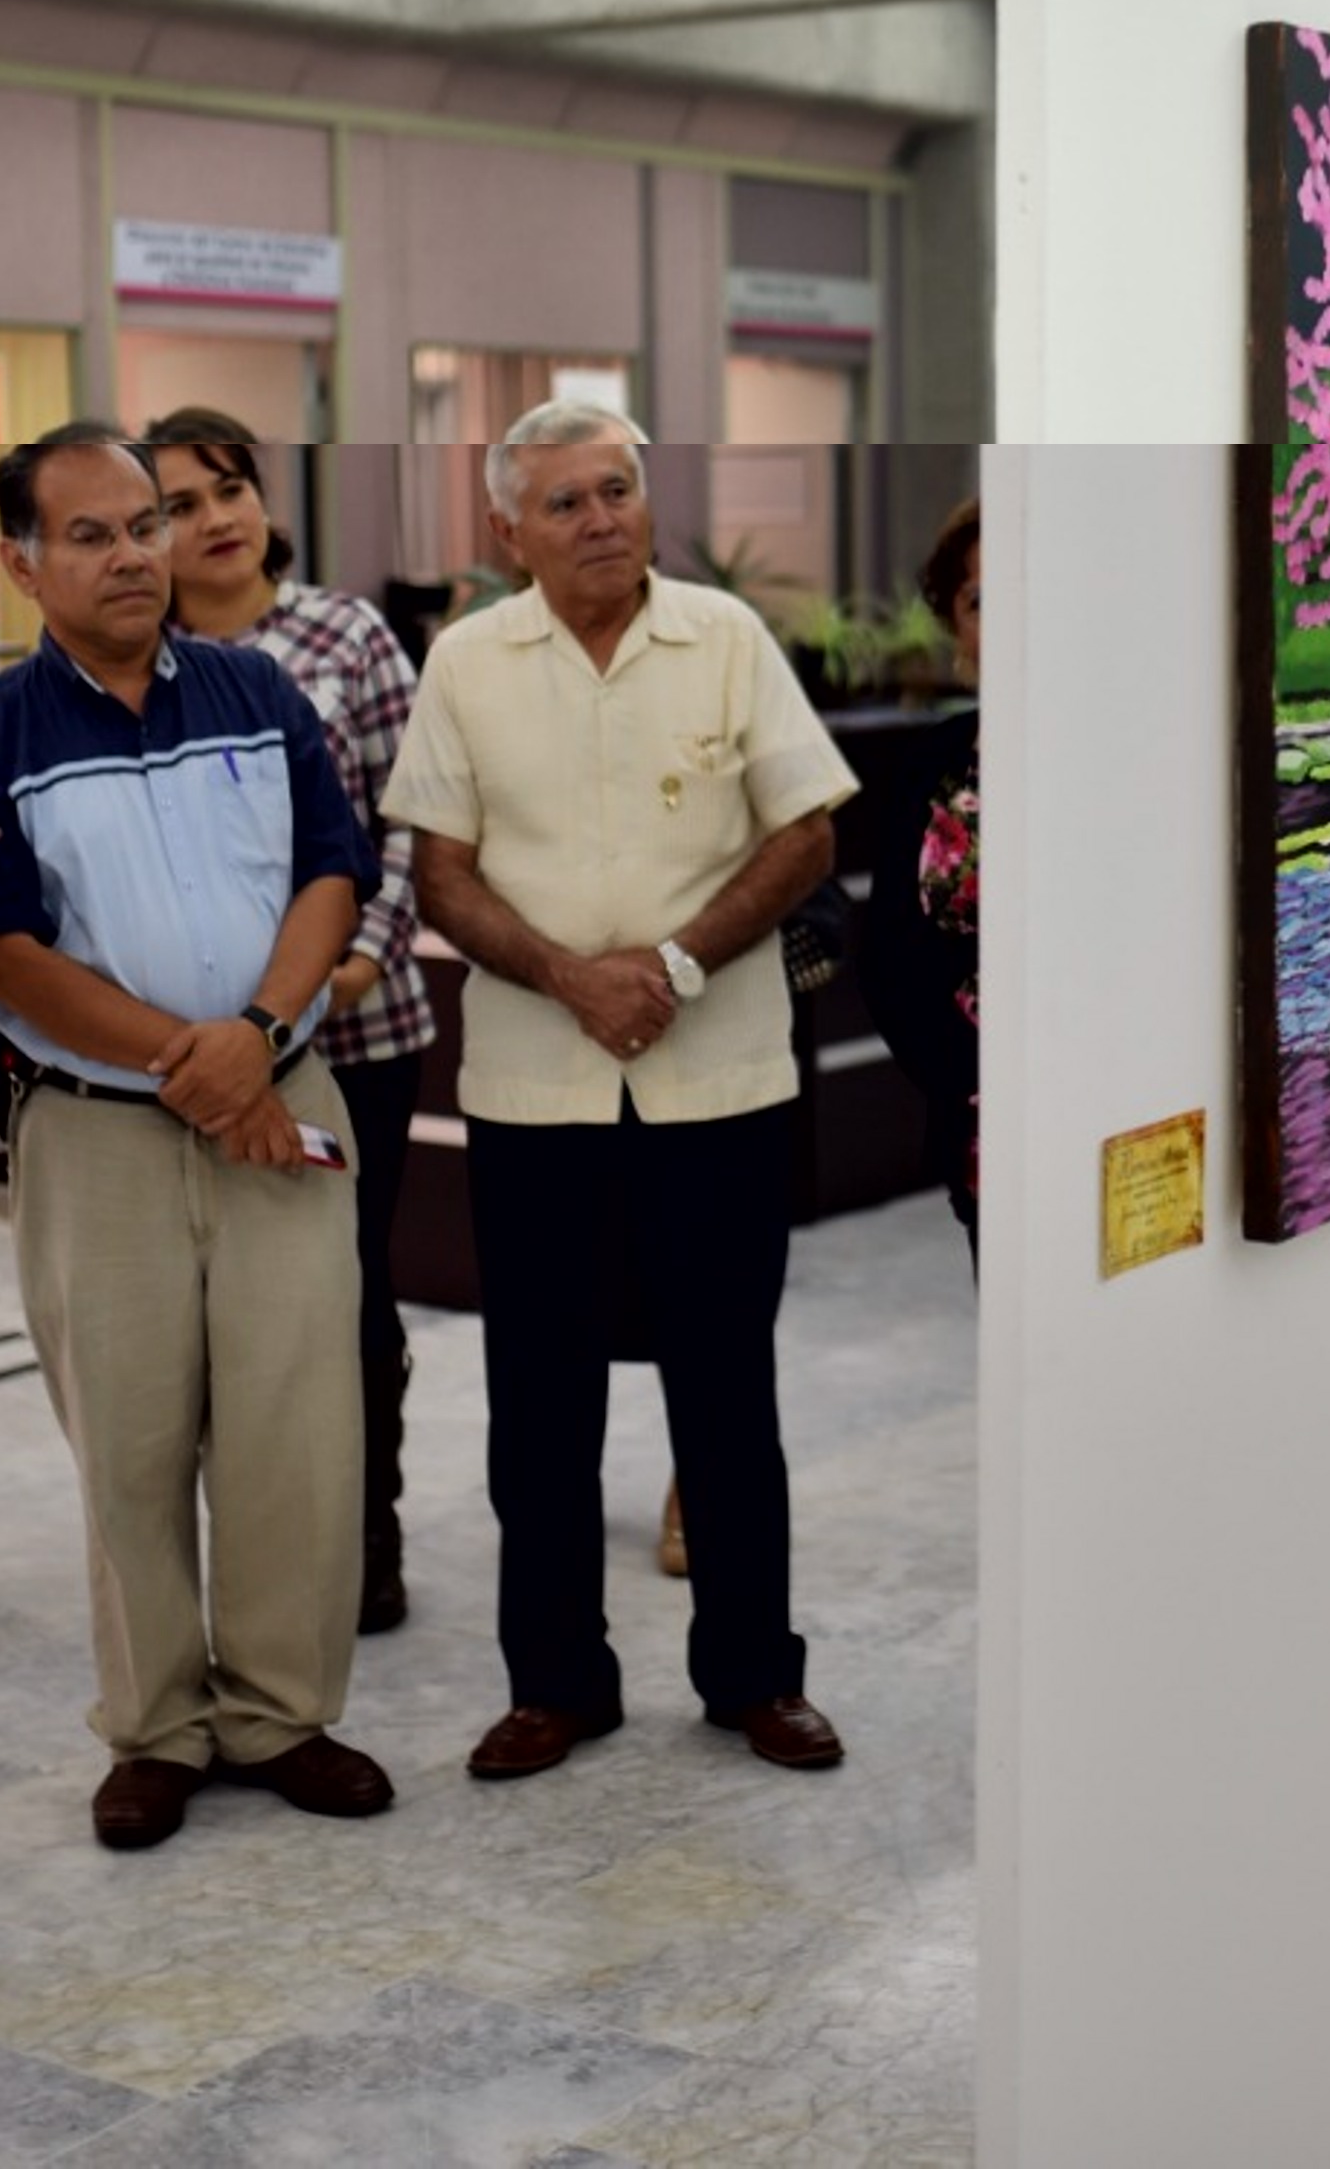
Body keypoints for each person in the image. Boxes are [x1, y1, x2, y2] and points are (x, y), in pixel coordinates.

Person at [0, 423, 389, 1853]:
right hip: (97, 1132)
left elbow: (330, 875)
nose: (134, 555)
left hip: (282, 1103)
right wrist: (195, 1065)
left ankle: (282, 1713)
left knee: (299, 1425)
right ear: (26, 562)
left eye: (148, 525)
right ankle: (158, 1729)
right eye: (97, 534)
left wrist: (256, 1035)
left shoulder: (252, 687)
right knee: (128, 1434)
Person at [386, 402, 859, 1781]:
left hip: (718, 1085)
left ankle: (754, 1677)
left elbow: (806, 832)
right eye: (566, 501)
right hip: (537, 1094)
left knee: (729, 1393)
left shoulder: (726, 640)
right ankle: (556, 1683)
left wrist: (668, 965)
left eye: (618, 490)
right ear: (506, 528)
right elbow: (444, 872)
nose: (600, 519)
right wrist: (568, 975)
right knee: (539, 1402)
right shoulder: (468, 662)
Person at [152, 407, 436, 1634]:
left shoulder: (343, 631)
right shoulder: (132, 649)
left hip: (355, 1034)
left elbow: (414, 810)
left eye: (228, 488)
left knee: (348, 1295)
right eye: (175, 503)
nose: (212, 517)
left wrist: (359, 965)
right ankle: (249, 1549)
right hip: (190, 1047)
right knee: (217, 1310)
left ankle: (363, 1536)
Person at [857, 503, 983, 1271]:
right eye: (979, 601)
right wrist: (964, 1079)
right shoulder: (932, 762)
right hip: (979, 1114)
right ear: (958, 634)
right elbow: (888, 956)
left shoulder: (1135, 753)